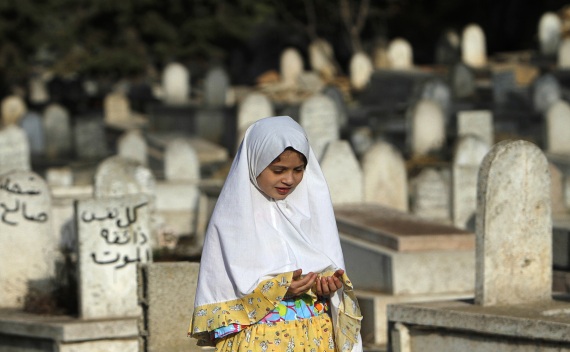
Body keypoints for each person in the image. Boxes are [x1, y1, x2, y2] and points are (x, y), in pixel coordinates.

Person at [188, 116, 362, 351]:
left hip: (315, 336)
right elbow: (223, 295)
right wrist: (279, 289)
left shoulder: (311, 213)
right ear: (255, 164)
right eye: (278, 170)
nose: (289, 179)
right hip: (257, 340)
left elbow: (328, 269)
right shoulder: (232, 222)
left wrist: (327, 285)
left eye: (298, 170)